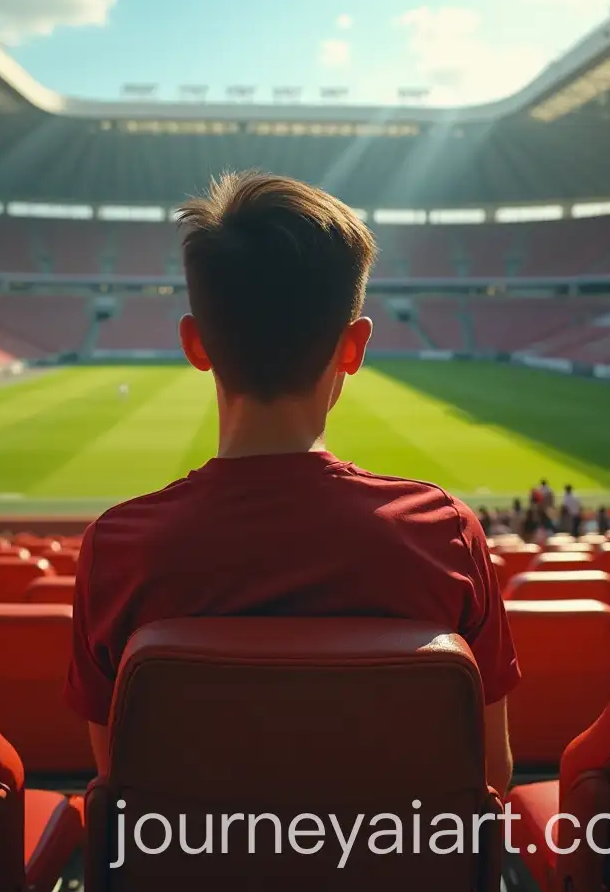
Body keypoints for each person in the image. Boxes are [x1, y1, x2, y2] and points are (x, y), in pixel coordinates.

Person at [64, 171, 519, 793]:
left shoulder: (117, 549)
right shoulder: (443, 534)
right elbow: (488, 775)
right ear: (355, 347)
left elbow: (121, 780)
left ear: (195, 344)